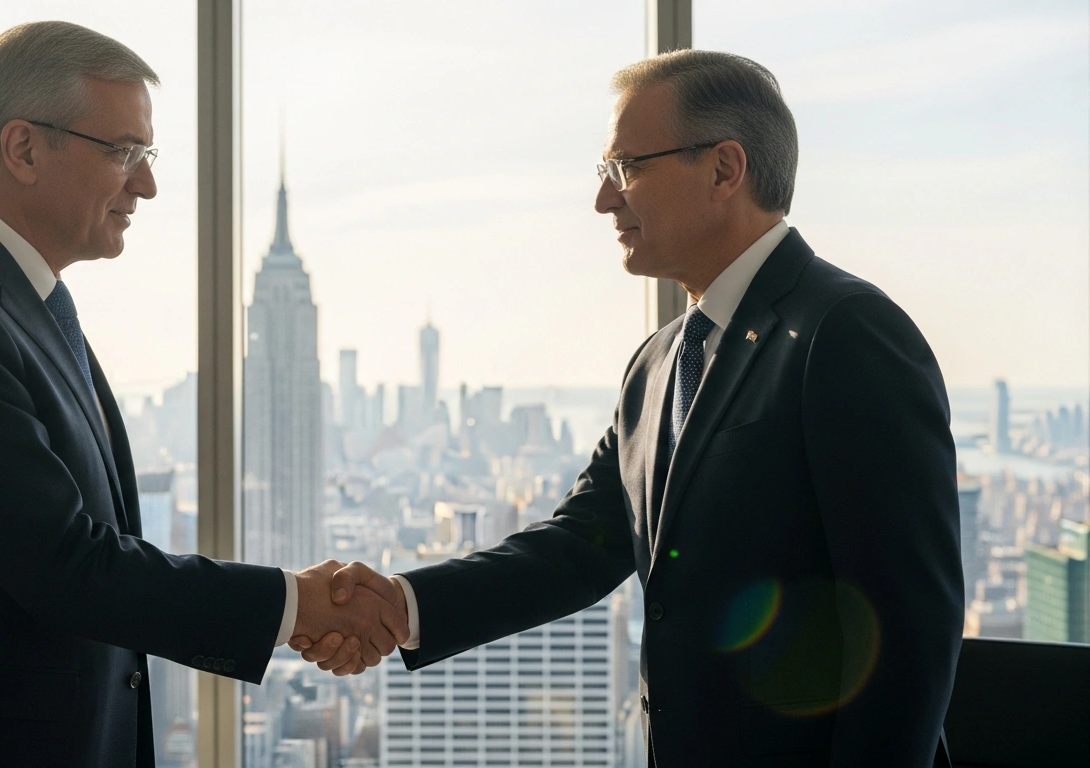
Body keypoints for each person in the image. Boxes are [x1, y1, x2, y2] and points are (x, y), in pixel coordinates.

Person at [299, 49, 963, 766]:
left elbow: (907, 634)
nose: (604, 200)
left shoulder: (846, 332)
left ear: (724, 169)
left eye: (628, 168)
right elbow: (579, 547)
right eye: (603, 174)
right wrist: (403, 605)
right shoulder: (656, 363)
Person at [0, 22, 403, 768]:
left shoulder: (25, 305)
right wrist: (294, 605)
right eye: (123, 152)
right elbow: (66, 565)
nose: (147, 183)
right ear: (24, 147)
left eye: (146, 154)